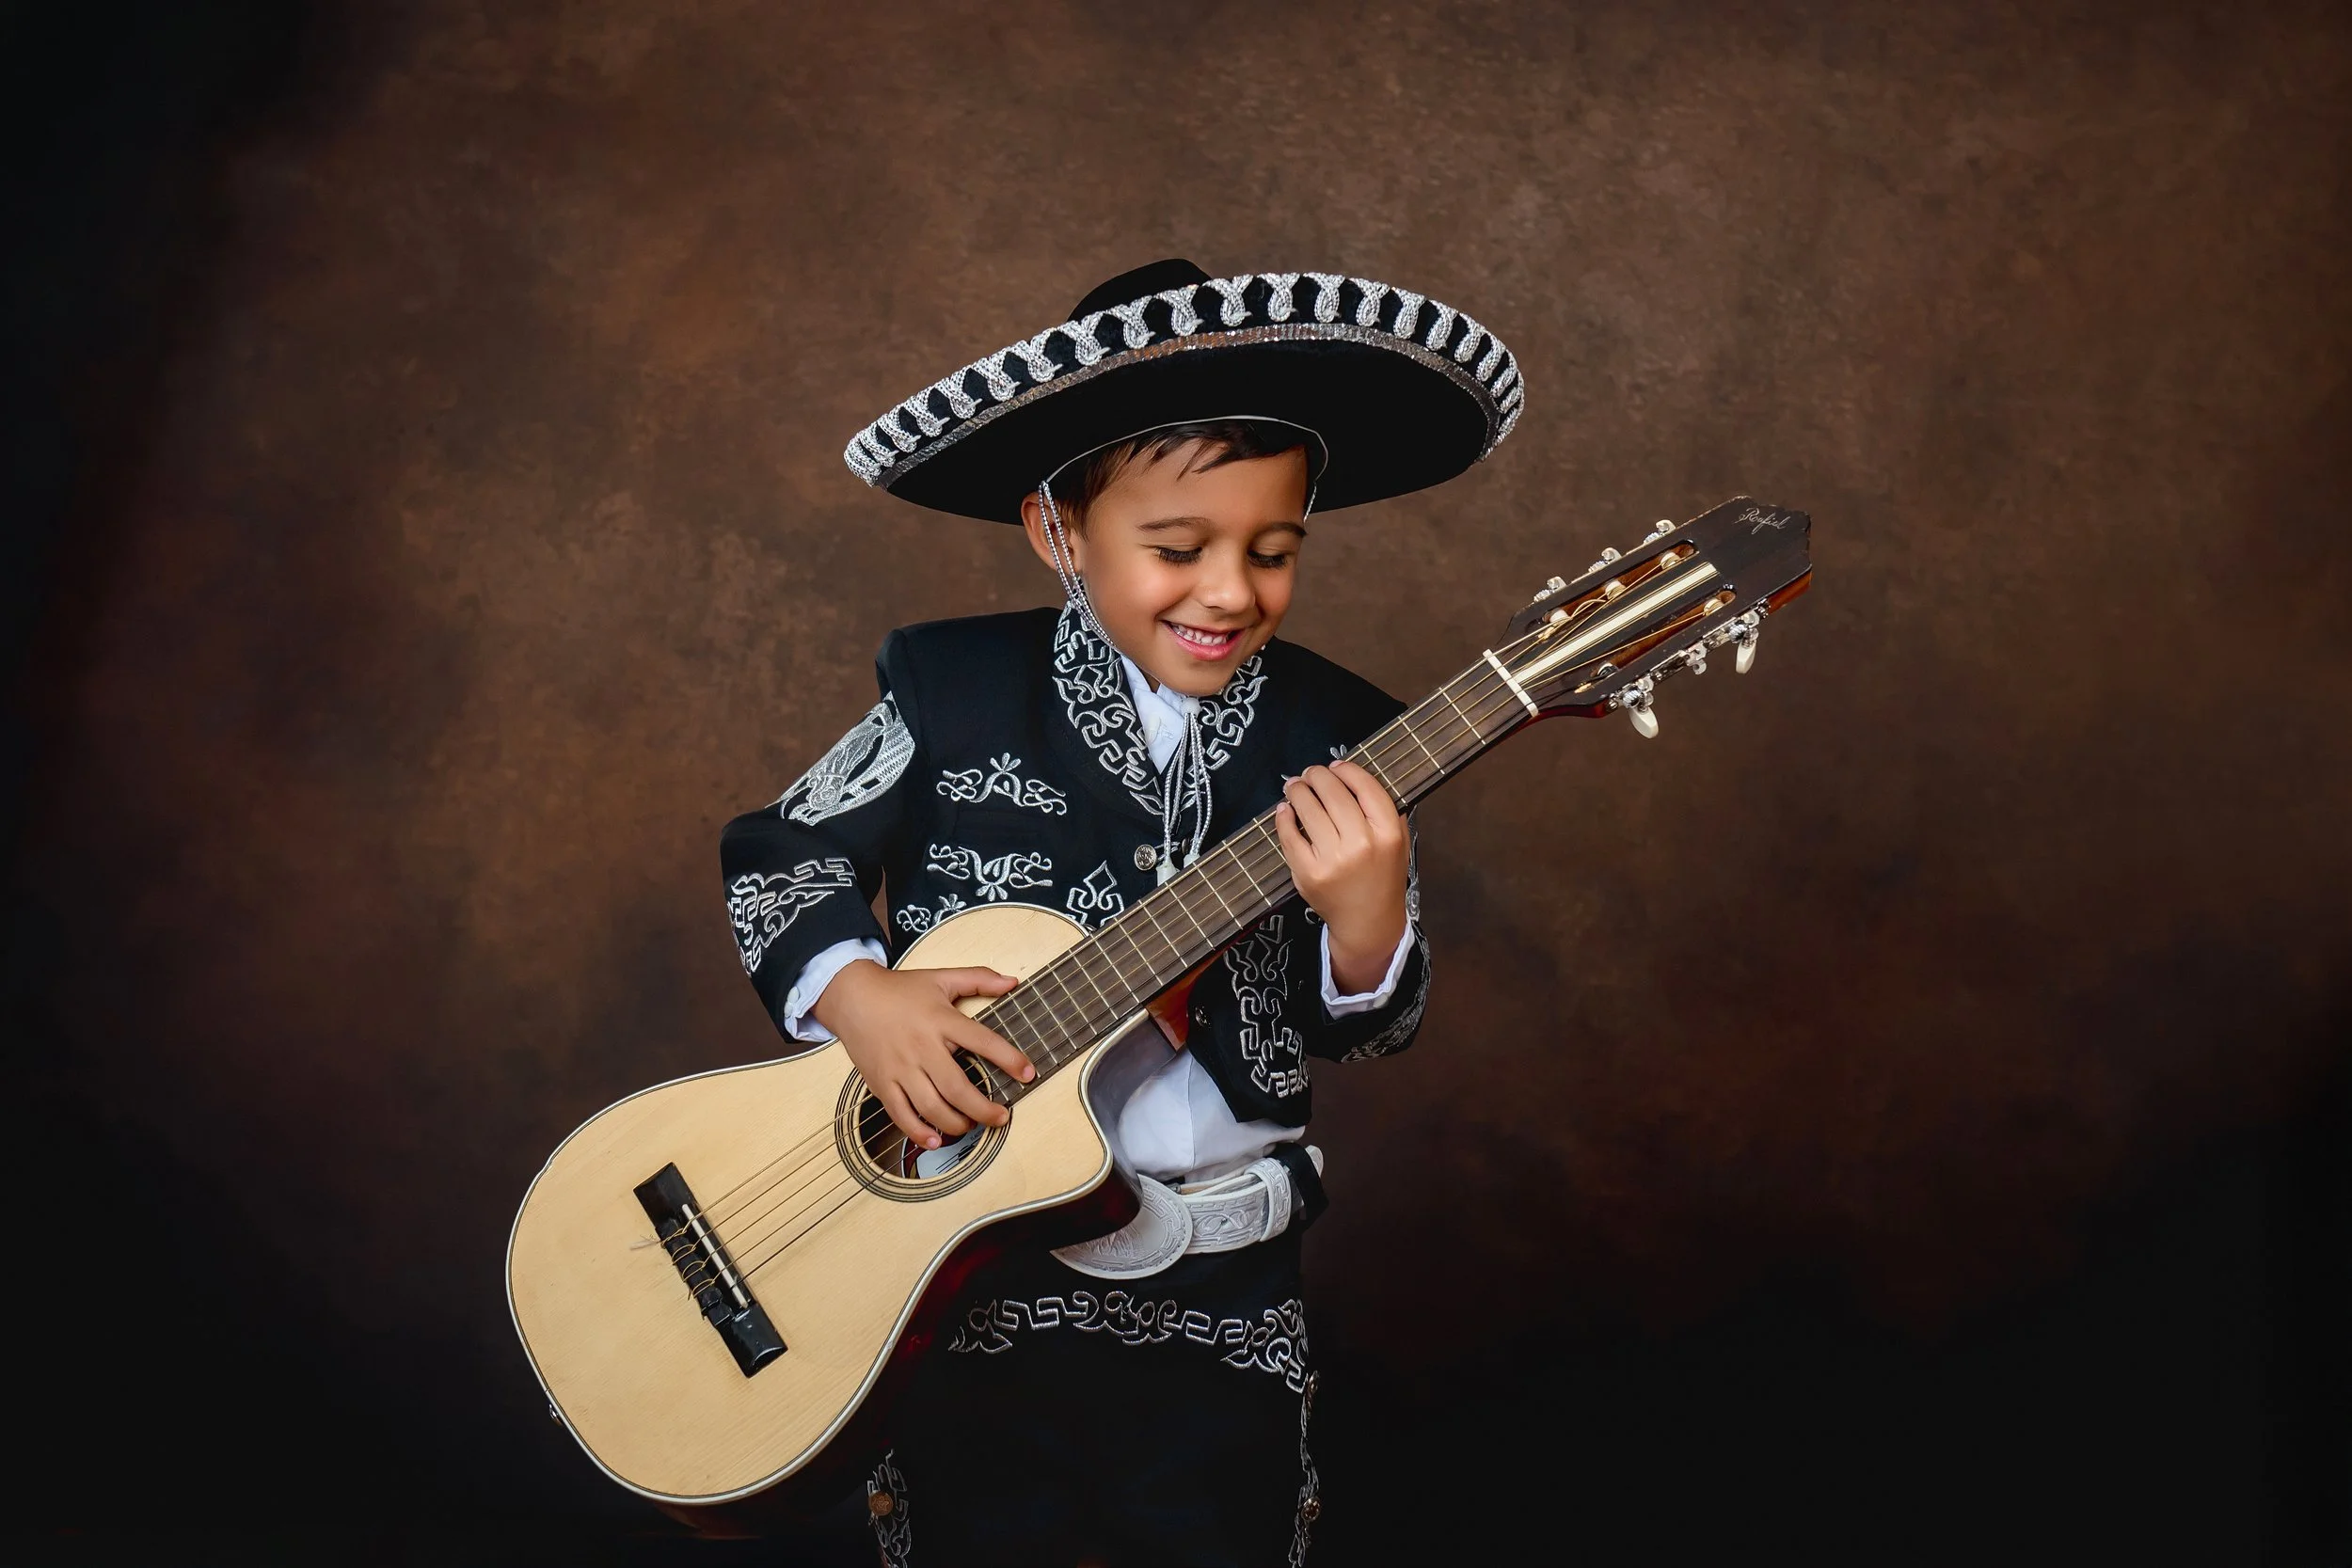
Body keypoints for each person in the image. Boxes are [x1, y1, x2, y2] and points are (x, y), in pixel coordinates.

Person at [720, 259, 1523, 1565]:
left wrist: (1369, 926)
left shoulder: (1342, 733)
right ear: (1059, 532)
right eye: (1177, 548)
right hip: (965, 1277)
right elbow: (779, 852)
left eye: (1274, 551)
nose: (1229, 593)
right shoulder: (950, 688)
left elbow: (1359, 1028)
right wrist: (859, 998)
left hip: (1226, 1288)